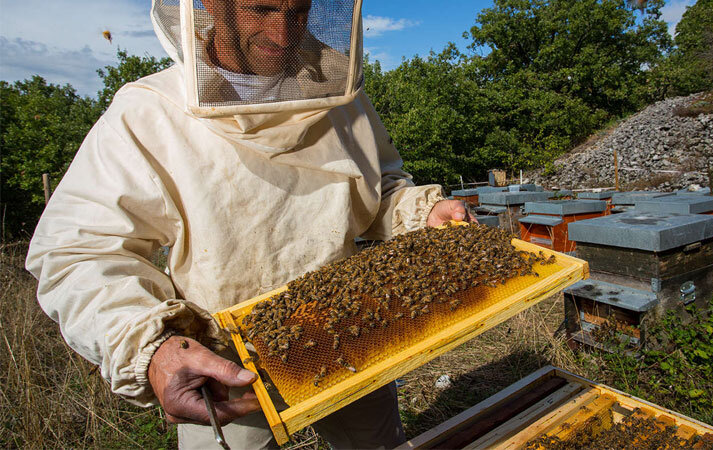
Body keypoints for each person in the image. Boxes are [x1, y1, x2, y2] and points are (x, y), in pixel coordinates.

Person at [26, 0, 473, 448]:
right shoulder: (148, 113)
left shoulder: (340, 94)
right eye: (260, 9)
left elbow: (380, 188)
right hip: (221, 362)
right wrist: (153, 348)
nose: (283, 32)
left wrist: (421, 210)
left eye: (297, 12)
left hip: (349, 330)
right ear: (210, 5)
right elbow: (79, 250)